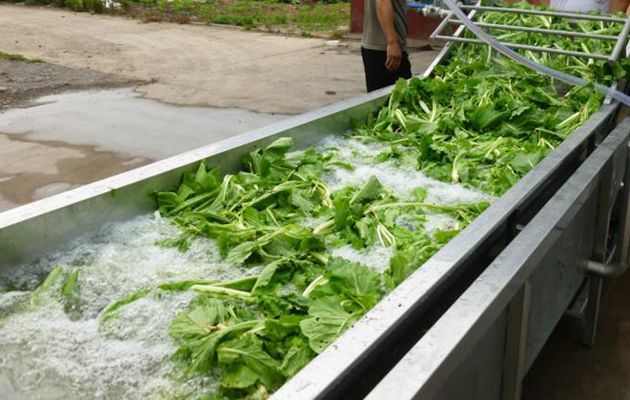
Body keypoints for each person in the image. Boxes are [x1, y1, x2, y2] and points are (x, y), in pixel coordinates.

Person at [361, 0, 412, 92]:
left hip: (379, 46)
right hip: (385, 49)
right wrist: (392, 42)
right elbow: (382, 2)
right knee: (395, 101)